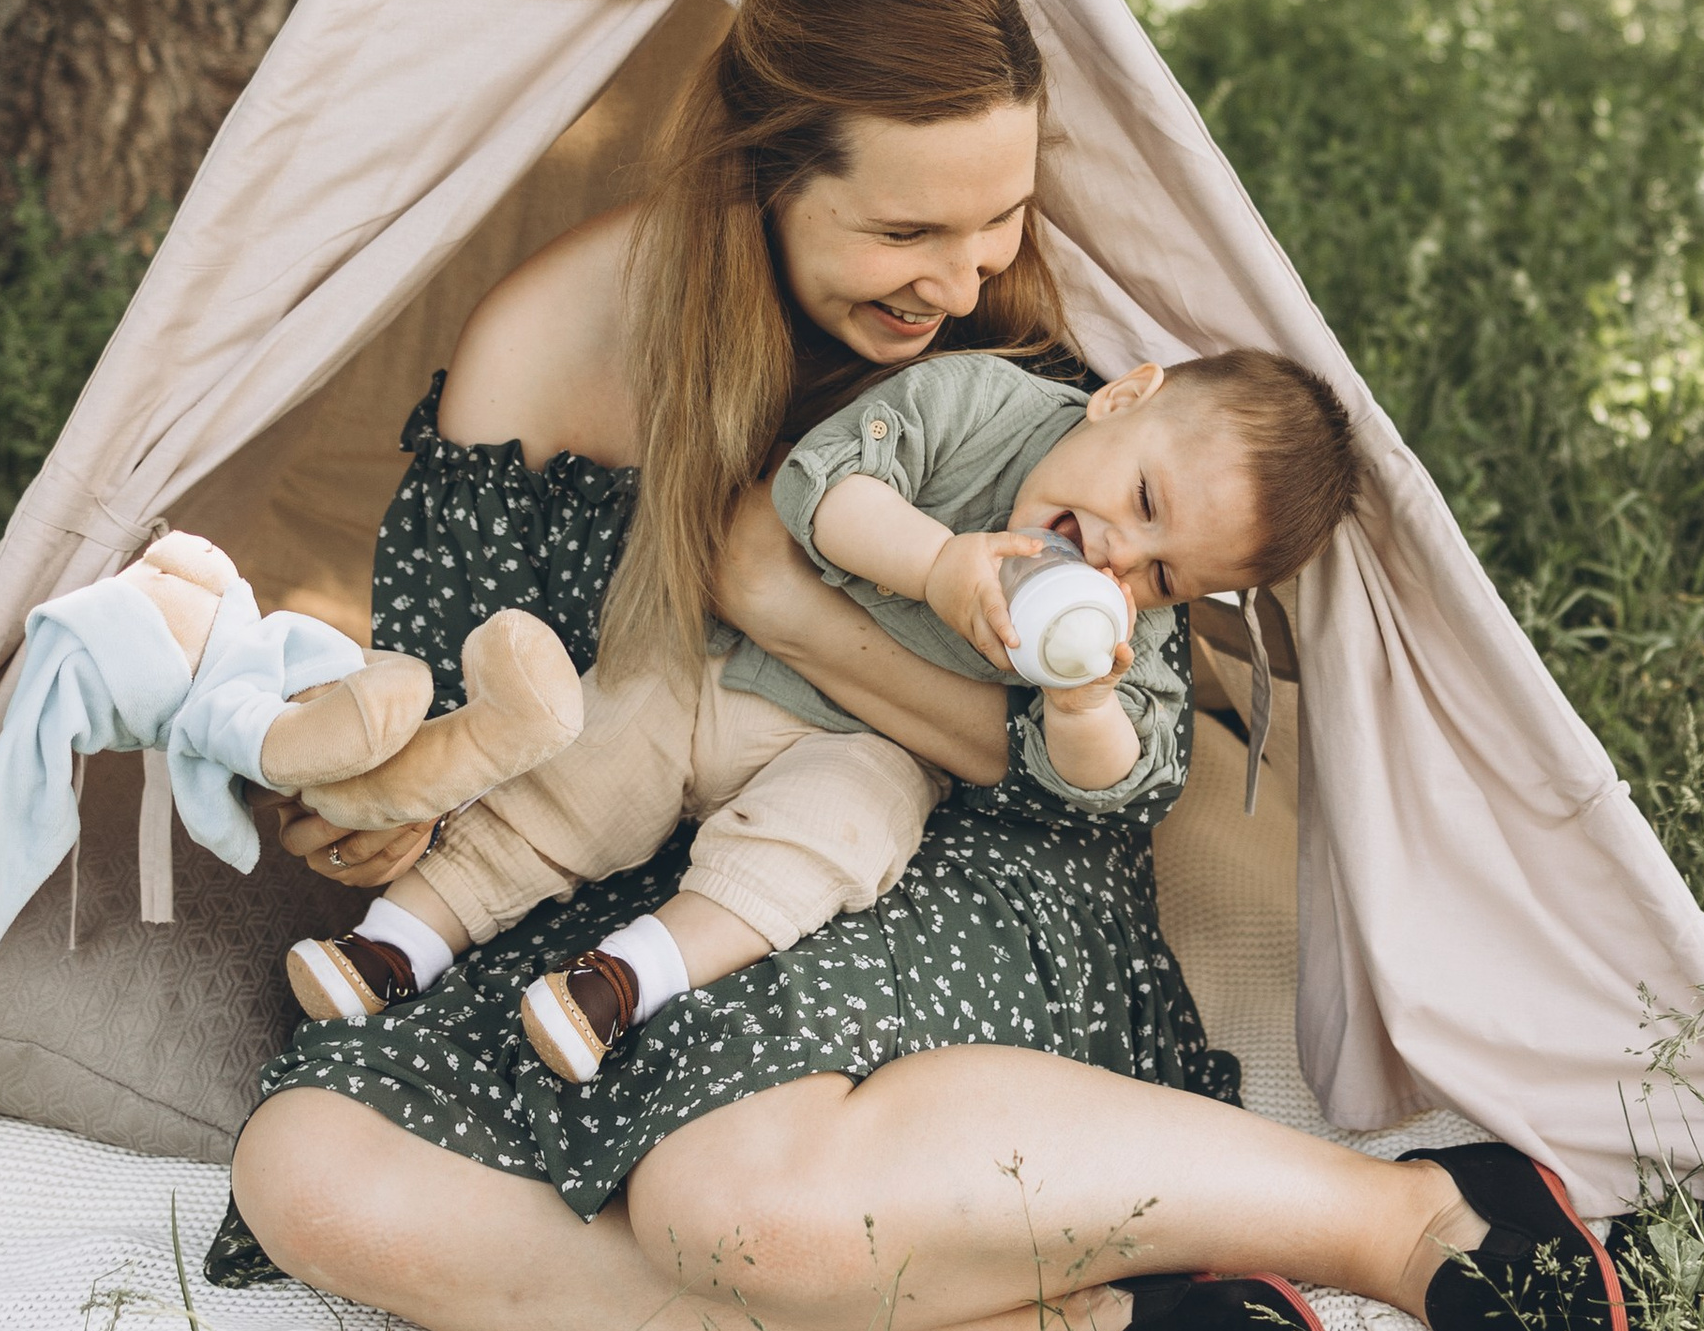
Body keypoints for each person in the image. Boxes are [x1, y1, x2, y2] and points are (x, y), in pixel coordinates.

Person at [223, 0, 1626, 1331]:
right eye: (906, 236)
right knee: (305, 1172)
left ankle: (1405, 1222)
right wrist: (375, 819)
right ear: (762, 172)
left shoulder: (1029, 390)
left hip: (963, 850)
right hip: (640, 869)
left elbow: (1054, 762)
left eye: (1002, 222)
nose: (961, 283)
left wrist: (782, 603)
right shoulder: (549, 351)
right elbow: (452, 721)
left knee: (720, 1202)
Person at [282, 342, 1360, 1092]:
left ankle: (623, 981)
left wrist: (1080, 702)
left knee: (841, 842)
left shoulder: (1124, 624)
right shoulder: (981, 405)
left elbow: (1115, 778)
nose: (1120, 555)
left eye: (1166, 572)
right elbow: (822, 485)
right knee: (591, 767)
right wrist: (936, 564)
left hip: (864, 746)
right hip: (725, 668)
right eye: (1143, 501)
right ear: (1123, 398)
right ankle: (397, 942)